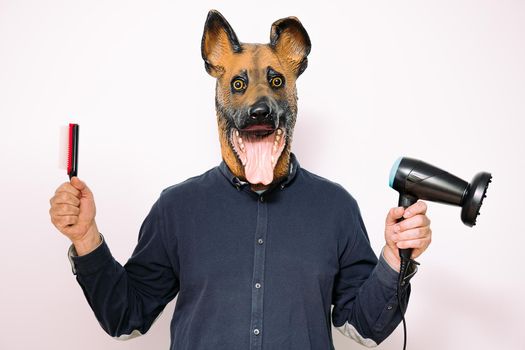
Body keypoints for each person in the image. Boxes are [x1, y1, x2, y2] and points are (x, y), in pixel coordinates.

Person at [49, 10, 432, 350]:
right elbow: (125, 317)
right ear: (217, 87)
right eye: (239, 85)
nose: (258, 101)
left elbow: (365, 328)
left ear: (296, 77)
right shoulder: (176, 209)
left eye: (276, 83)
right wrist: (86, 239)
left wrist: (395, 258)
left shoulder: (337, 209)